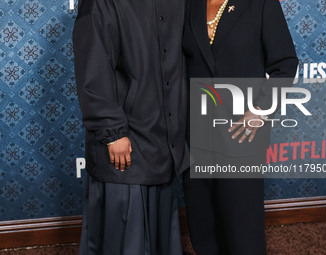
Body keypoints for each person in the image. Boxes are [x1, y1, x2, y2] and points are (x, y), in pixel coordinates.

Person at [72, 0, 189, 254]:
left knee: (161, 231)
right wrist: (112, 132)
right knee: (126, 235)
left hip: (165, 137)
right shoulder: (100, 2)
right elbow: (94, 71)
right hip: (126, 139)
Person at [182, 0, 298, 254]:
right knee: (203, 228)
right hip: (194, 135)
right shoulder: (188, 4)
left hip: (241, 135)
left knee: (243, 231)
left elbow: (285, 64)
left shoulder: (260, 3)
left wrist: (260, 110)